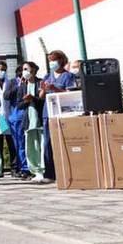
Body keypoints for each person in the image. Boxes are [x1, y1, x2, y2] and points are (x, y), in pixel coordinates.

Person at [8, 61, 49, 183]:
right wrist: (26, 101)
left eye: (27, 69)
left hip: (39, 119)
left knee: (42, 145)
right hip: (28, 120)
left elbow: (43, 100)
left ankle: (44, 170)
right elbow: (19, 104)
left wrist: (33, 98)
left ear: (34, 70)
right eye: (23, 69)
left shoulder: (40, 83)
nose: (25, 72)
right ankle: (35, 171)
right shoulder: (22, 86)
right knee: (31, 147)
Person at [41, 50, 74, 183]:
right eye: (50, 60)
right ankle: (49, 174)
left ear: (61, 60)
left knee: (63, 141)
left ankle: (66, 171)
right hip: (48, 112)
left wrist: (54, 88)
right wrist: (44, 88)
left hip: (62, 113)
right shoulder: (47, 76)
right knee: (48, 143)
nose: (52, 63)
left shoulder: (68, 76)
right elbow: (41, 95)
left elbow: (70, 94)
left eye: (54, 60)